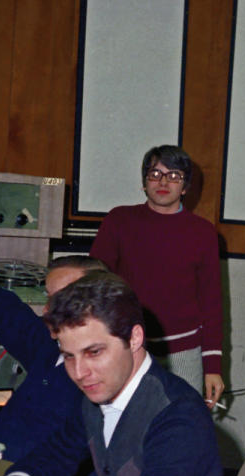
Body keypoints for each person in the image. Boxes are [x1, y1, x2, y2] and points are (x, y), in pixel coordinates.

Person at [0, 272, 241, 476]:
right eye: (69, 356)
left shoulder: (180, 417)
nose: (80, 372)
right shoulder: (101, 394)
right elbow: (60, 451)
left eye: (94, 352)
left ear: (134, 338)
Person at [90, 145, 225, 409]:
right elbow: (94, 282)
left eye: (174, 176)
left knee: (183, 429)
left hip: (184, 353)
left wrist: (213, 367)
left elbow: (211, 304)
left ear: (185, 186)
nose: (164, 182)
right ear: (143, 182)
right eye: (155, 174)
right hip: (126, 348)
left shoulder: (203, 233)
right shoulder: (119, 220)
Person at [0, 255, 106, 461]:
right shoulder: (51, 348)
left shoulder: (97, 378)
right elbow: (20, 324)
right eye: (48, 297)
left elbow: (63, 458)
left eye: (61, 299)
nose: (47, 309)